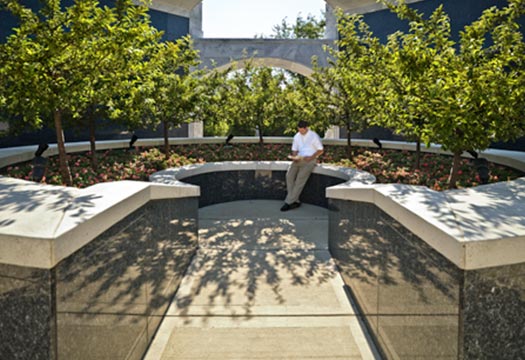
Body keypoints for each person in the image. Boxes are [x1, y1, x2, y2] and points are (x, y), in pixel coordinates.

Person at [281, 120, 324, 211]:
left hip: (309, 160)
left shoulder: (313, 136)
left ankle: (288, 202)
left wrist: (311, 157)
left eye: (302, 130)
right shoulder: (297, 136)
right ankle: (295, 200)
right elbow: (295, 149)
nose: (300, 132)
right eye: (299, 130)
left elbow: (320, 150)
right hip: (298, 159)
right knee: (289, 176)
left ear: (306, 128)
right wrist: (294, 156)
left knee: (300, 180)